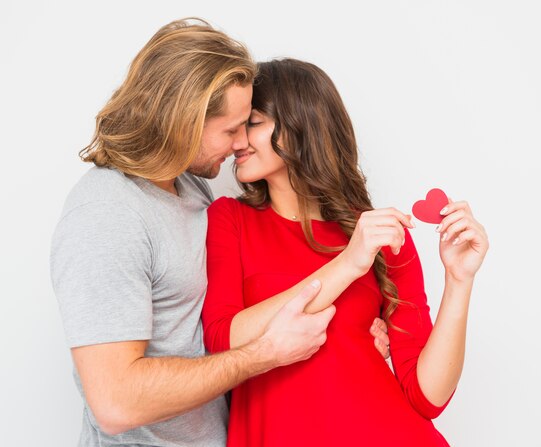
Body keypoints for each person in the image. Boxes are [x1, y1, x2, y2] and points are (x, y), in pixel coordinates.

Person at [50, 19, 390, 447]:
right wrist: (264, 354)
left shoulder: (190, 186)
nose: (237, 145)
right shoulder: (106, 215)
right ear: (182, 120)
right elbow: (117, 403)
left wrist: (349, 342)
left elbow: (222, 318)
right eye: (231, 129)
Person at [202, 59, 489, 446]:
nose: (237, 141)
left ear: (298, 126)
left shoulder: (379, 235)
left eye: (251, 123)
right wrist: (348, 266)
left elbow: (428, 397)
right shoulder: (229, 220)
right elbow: (222, 340)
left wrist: (459, 280)